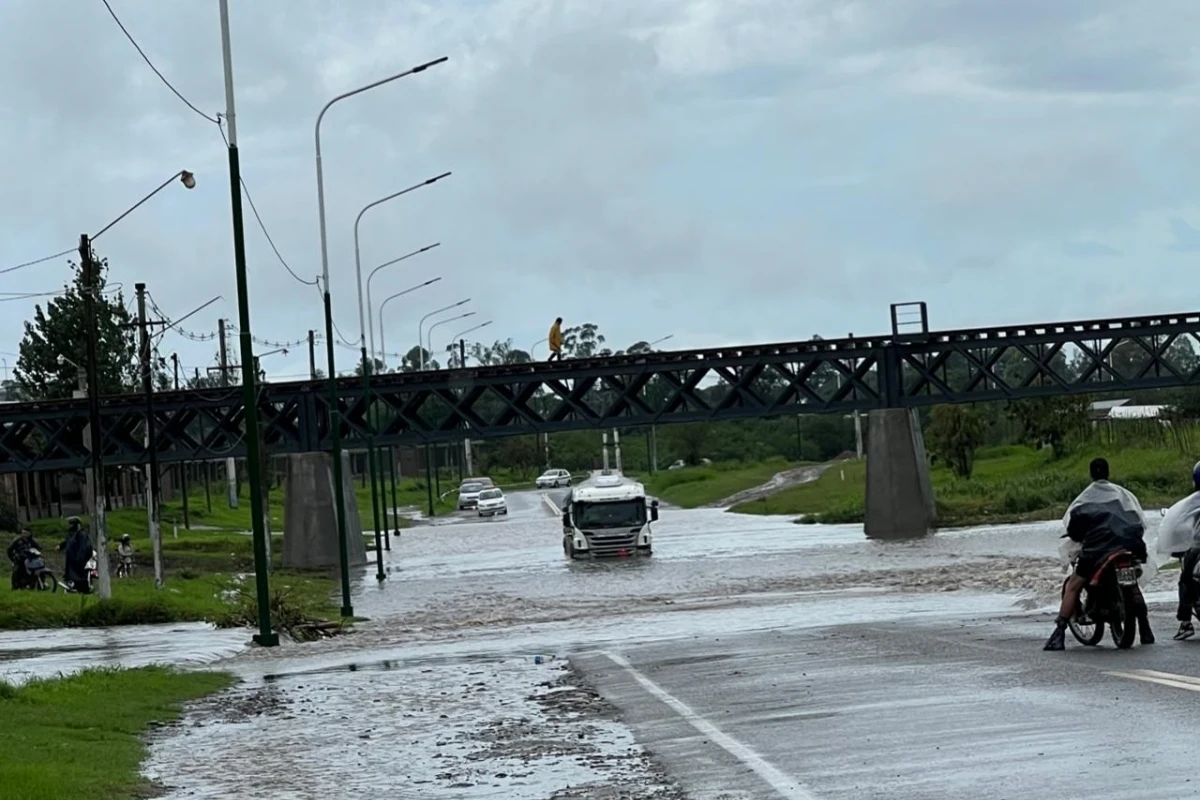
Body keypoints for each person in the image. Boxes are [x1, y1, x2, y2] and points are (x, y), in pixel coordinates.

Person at [1044, 457, 1154, 651]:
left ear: (1091, 474)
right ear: (1108, 473)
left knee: (1073, 585)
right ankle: (1145, 629)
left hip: (1098, 551)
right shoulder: (1123, 496)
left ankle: (1059, 632)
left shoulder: (1084, 500)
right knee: (1133, 584)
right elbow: (1139, 521)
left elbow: (1075, 531)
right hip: (1130, 547)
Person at [1156, 462, 1200, 640]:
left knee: (1185, 579)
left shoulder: (1193, 501)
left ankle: (1185, 622)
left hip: (1198, 547)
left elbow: (1177, 519)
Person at [58, 516, 93, 592]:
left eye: (70, 524)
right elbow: (67, 542)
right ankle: (73, 587)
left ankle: (83, 589)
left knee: (79, 576)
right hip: (71, 559)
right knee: (71, 575)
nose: (69, 526)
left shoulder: (81, 534)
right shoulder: (72, 534)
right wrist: (60, 546)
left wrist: (79, 558)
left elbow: (83, 548)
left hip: (78, 560)